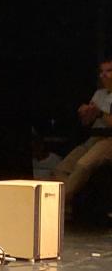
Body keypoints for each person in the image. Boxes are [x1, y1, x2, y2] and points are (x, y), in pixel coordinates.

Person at [51, 58, 112, 206]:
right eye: (101, 72)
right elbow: (86, 123)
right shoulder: (99, 94)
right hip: (94, 136)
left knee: (82, 165)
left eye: (108, 71)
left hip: (109, 138)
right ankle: (66, 201)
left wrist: (99, 113)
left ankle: (59, 204)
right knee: (62, 168)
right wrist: (85, 113)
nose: (103, 75)